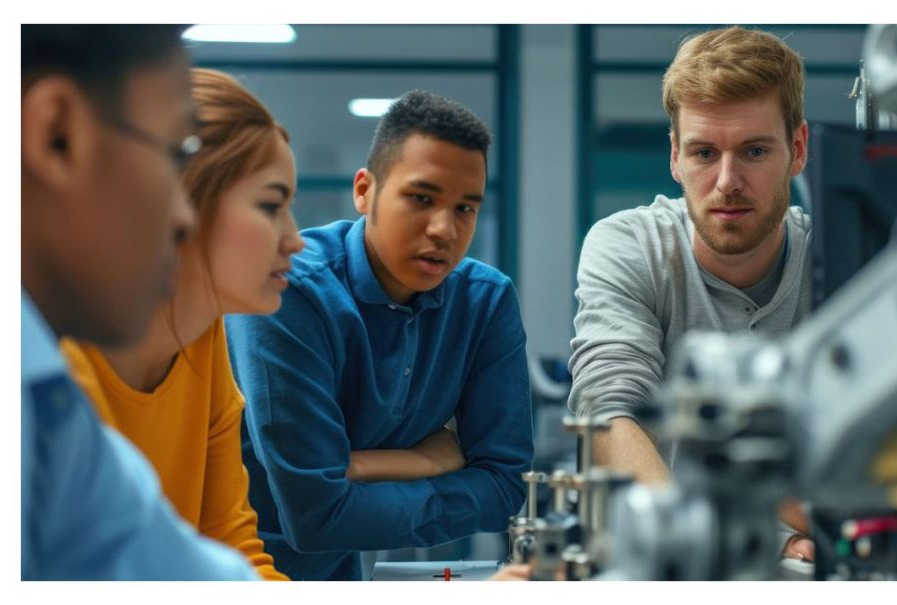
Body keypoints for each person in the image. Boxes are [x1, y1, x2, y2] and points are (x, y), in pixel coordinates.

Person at [226, 90, 534, 580]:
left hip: (342, 572)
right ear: (364, 191)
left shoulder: (484, 301)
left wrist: (357, 468)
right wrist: (425, 463)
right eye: (421, 198)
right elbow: (316, 516)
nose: (444, 230)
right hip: (232, 570)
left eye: (465, 209)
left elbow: (505, 487)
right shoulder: (286, 289)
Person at [567, 26, 814, 560]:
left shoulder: (841, 257)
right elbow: (609, 412)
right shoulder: (628, 246)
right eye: (705, 153)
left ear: (796, 149)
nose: (728, 181)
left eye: (753, 150)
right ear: (676, 157)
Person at [21, 25, 258, 579]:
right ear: (57, 134)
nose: (183, 215)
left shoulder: (46, 408)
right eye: (177, 156)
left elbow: (184, 570)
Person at [59, 68, 303, 580]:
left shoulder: (203, 332)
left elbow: (234, 548)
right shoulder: (55, 356)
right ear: (184, 200)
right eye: (270, 206)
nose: (295, 239)